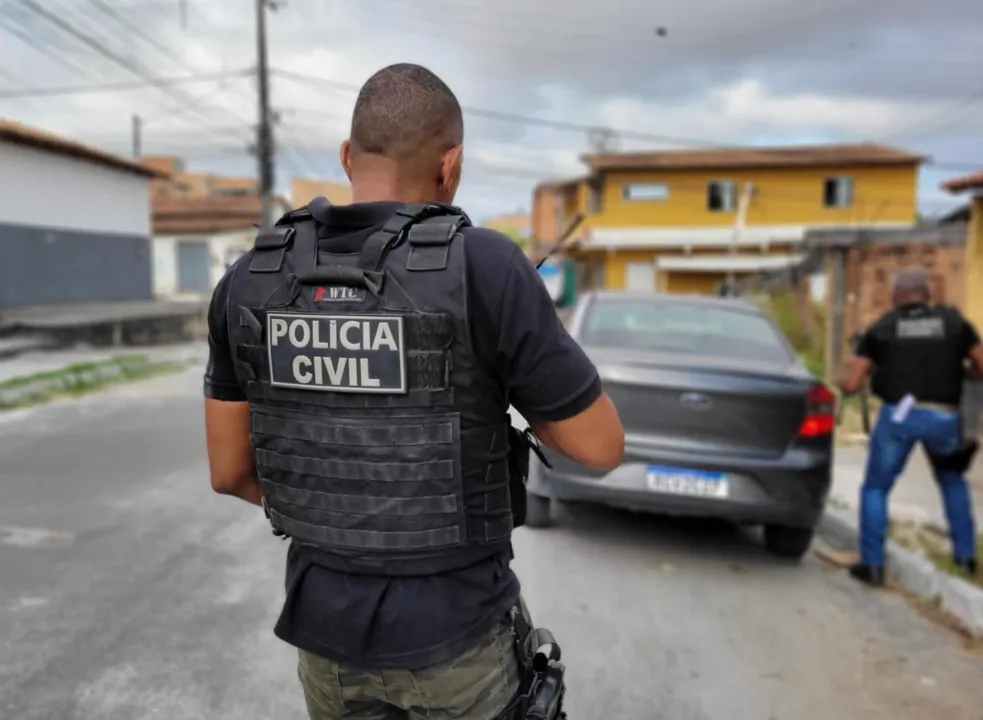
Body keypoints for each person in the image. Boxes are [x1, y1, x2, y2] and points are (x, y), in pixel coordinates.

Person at [202, 62, 625, 719]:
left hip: (326, 643)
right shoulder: (485, 266)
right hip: (457, 639)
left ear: (347, 156)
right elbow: (598, 446)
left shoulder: (249, 277)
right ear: (450, 164)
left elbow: (229, 472)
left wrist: (339, 505)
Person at [839, 266, 981, 587]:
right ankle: (966, 559)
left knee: (876, 488)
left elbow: (852, 382)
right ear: (927, 296)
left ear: (895, 298)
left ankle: (872, 565)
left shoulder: (882, 328)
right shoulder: (954, 323)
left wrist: (843, 382)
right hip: (944, 416)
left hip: (900, 417)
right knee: (953, 482)